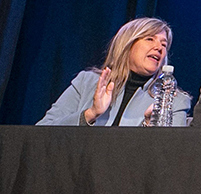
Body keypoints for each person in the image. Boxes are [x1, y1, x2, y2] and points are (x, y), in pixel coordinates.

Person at [38, 17, 191, 127]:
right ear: (127, 44)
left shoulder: (173, 100)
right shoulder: (87, 82)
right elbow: (43, 129)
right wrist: (91, 114)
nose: (159, 47)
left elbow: (171, 157)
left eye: (164, 45)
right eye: (150, 39)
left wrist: (148, 129)